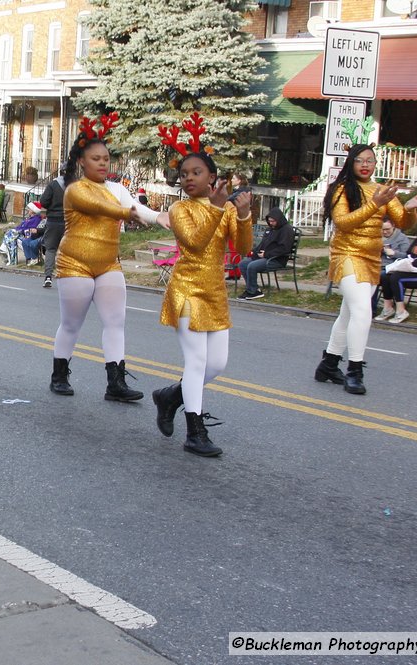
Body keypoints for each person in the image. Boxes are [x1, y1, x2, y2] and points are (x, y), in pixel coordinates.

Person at [152, 115, 253, 457]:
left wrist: (242, 215)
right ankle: (195, 431)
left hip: (214, 294)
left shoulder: (222, 209)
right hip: (186, 291)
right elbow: (195, 243)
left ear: (212, 177)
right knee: (196, 362)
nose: (189, 178)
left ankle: (170, 397)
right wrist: (216, 208)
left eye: (197, 172)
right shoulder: (180, 209)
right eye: (184, 174)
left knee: (217, 365)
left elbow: (241, 250)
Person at [49, 114, 168, 404]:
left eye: (106, 158)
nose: (103, 163)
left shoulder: (116, 189)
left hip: (108, 264)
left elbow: (135, 207)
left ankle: (115, 382)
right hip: (74, 263)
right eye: (96, 158)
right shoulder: (75, 189)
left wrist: (160, 217)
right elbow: (101, 206)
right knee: (71, 324)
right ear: (81, 162)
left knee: (116, 321)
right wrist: (127, 213)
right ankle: (59, 375)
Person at [313, 144, 417, 394]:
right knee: (363, 311)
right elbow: (343, 222)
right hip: (347, 255)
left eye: (370, 161)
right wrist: (375, 205)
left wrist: (410, 208)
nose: (365, 165)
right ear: (351, 163)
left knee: (349, 315)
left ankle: (329, 364)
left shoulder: (382, 190)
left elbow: (403, 222)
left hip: (372, 258)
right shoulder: (341, 189)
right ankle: (355, 370)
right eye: (360, 160)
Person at [374, 215, 417, 323]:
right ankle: (388, 308)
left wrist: (407, 262)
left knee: (397, 278)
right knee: (387, 276)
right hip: (413, 270)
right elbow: (408, 255)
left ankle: (401, 311)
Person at [237, 207, 295, 299]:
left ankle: (252, 291)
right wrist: (253, 252)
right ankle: (254, 288)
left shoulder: (287, 230)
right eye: (269, 221)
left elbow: (284, 248)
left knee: (252, 266)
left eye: (273, 221)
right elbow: (262, 244)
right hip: (265, 257)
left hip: (276, 259)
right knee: (243, 264)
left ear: (279, 219)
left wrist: (266, 254)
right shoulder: (270, 229)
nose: (271, 223)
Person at [39, 170, 66, 288]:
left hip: (53, 221)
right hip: (69, 222)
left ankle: (48, 277)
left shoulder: (53, 184)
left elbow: (43, 201)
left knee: (51, 249)